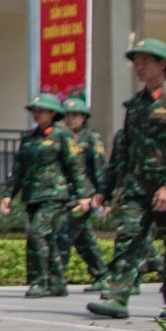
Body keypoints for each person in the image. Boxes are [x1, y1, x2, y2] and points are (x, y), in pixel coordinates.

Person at [88, 39, 166, 320]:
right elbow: (125, 149)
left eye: (145, 60)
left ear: (162, 64)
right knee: (128, 237)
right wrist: (116, 186)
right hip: (138, 186)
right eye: (136, 61)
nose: (139, 66)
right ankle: (116, 296)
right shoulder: (134, 105)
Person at [0, 93, 94, 298]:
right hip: (32, 196)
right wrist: (9, 194)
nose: (37, 115)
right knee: (48, 240)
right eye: (35, 111)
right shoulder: (29, 137)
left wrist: (83, 195)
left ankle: (39, 281)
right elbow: (19, 169)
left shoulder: (63, 135)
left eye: (41, 111)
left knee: (36, 235)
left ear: (53, 113)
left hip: (55, 195)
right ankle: (57, 282)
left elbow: (75, 166)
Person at [58, 94, 110, 290]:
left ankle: (56, 277)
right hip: (65, 195)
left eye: (75, 115)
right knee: (83, 239)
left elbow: (100, 168)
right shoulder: (61, 137)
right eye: (67, 115)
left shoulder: (91, 138)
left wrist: (101, 196)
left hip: (84, 196)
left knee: (63, 236)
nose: (71, 119)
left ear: (83, 117)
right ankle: (102, 275)